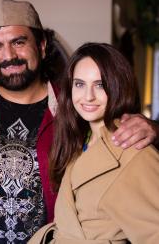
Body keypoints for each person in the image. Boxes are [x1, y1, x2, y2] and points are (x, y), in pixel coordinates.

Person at [0, 0, 159, 244]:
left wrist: (154, 128)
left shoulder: (74, 108)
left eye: (19, 42)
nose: (9, 55)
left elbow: (122, 151)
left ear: (43, 45)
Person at [29, 43, 159, 244]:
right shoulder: (79, 140)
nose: (88, 96)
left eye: (100, 85)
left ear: (118, 86)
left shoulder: (135, 150)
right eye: (80, 84)